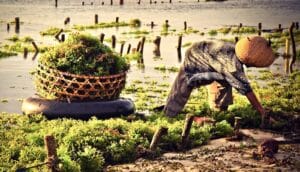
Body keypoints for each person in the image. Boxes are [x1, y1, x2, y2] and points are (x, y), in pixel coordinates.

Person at [163, 36, 275, 127]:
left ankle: (219, 110)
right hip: (194, 58)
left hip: (210, 57)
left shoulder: (234, 53)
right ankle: (177, 116)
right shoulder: (232, 67)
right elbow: (246, 90)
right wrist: (262, 112)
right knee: (177, 98)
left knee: (226, 81)